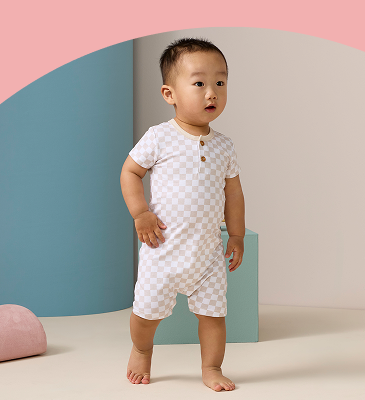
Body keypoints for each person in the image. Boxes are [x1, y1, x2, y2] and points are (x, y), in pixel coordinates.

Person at [119, 37, 246, 392]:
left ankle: (211, 367)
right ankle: (141, 350)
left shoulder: (224, 145)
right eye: (199, 83)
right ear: (169, 94)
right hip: (162, 250)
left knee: (214, 316)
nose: (212, 93)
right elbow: (130, 172)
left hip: (207, 255)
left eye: (220, 82)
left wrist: (237, 234)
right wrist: (140, 212)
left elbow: (234, 193)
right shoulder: (159, 137)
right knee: (146, 313)